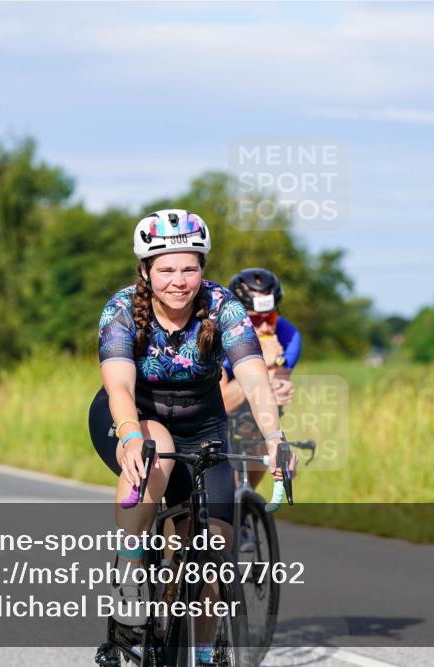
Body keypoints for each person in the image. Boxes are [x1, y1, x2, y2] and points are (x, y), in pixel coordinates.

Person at [87, 210, 297, 662]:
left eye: (190, 268)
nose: (178, 280)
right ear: (145, 271)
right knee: (155, 447)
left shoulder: (225, 308)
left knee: (212, 548)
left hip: (203, 427)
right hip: (132, 416)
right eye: (165, 269)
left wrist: (276, 437)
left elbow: (254, 379)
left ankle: (200, 651)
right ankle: (128, 570)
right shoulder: (121, 310)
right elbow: (119, 385)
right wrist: (127, 437)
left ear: (203, 268)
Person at [220, 268, 302, 493]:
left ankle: (246, 501)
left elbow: (277, 388)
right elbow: (223, 401)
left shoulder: (288, 336)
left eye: (271, 317)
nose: (266, 327)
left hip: (249, 410)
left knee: (262, 436)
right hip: (211, 408)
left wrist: (278, 374)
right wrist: (264, 364)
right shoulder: (218, 333)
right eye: (255, 319)